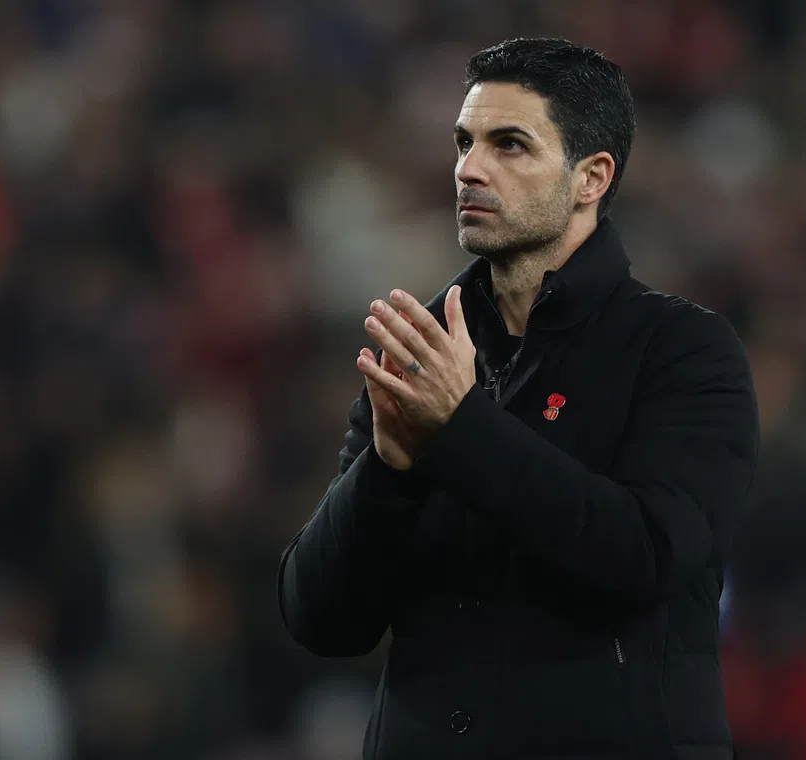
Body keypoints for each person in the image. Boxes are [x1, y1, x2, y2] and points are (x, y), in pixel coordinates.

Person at [278, 37, 759, 760]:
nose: (469, 169)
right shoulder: (420, 349)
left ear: (591, 177)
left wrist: (462, 430)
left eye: (510, 146)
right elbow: (322, 621)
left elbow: (648, 558)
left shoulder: (683, 350)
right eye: (464, 143)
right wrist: (387, 473)